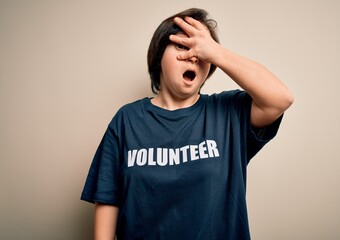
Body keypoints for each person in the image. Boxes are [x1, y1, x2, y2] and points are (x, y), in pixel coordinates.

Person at [81, 8, 293, 240]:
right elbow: (108, 199)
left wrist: (216, 52)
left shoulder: (228, 112)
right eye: (182, 46)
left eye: (201, 51)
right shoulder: (127, 120)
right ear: (159, 56)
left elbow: (280, 99)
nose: (194, 56)